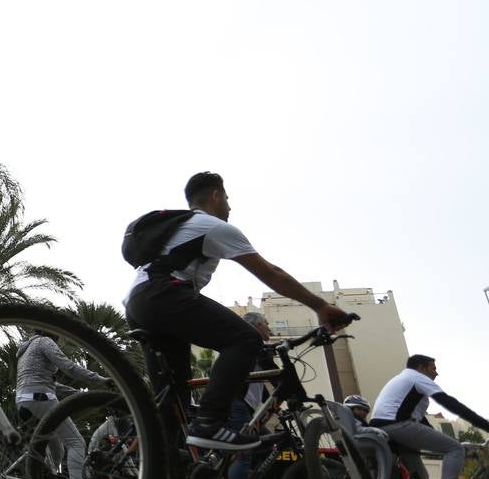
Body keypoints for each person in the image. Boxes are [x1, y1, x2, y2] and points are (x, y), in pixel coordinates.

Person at [124, 172, 353, 451]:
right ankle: (209, 422)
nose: (230, 208)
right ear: (216, 195)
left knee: (175, 405)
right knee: (246, 339)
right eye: (228, 199)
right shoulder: (211, 226)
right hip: (162, 295)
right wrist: (320, 305)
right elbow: (272, 274)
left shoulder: (181, 230)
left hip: (140, 303)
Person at [371, 354, 489, 479]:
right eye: (433, 368)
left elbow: (422, 422)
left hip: (387, 428)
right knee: (455, 449)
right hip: (396, 426)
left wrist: (443, 441)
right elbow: (451, 404)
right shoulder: (416, 377)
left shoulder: (404, 381)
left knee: (420, 475)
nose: (436, 373)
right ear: (421, 368)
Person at [14, 330, 108, 479]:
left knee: (57, 449)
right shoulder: (45, 341)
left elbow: (47, 381)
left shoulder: (26, 349)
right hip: (41, 397)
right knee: (77, 443)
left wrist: (75, 393)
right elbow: (69, 367)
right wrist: (100, 380)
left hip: (23, 400)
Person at [223, 311, 275, 479]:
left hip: (247, 409)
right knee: (242, 455)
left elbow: (263, 383)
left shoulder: (255, 348)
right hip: (237, 406)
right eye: (267, 324)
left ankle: (233, 475)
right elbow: (275, 371)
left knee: (267, 441)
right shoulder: (250, 342)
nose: (269, 328)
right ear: (257, 325)